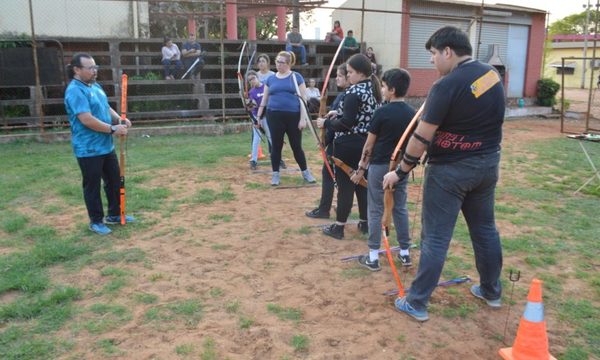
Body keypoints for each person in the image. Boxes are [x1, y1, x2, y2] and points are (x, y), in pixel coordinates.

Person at [382, 26, 505, 322]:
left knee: (436, 238)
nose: (432, 61)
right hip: (487, 165)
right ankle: (491, 291)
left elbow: (422, 137)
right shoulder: (491, 75)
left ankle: (417, 302)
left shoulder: (445, 85)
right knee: (485, 228)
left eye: (434, 54)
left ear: (448, 51)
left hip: (450, 171)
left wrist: (399, 171)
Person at [351, 68, 415, 271]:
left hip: (380, 166)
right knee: (400, 208)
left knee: (376, 208)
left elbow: (369, 146)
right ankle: (405, 253)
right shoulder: (412, 114)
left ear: (393, 90)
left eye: (385, 86)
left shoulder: (382, 112)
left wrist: (361, 167)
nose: (383, 89)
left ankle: (373, 256)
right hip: (400, 169)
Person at [64, 53, 135, 235]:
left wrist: (119, 119)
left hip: (105, 146)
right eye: (91, 68)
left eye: (96, 67)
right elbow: (86, 119)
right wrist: (113, 129)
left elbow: (105, 107)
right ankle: (96, 221)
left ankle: (114, 214)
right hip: (88, 149)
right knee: (92, 186)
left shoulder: (94, 85)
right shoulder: (75, 91)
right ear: (77, 70)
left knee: (114, 181)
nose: (95, 71)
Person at [317, 54, 381, 239]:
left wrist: (326, 124)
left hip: (348, 144)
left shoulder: (354, 92)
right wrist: (338, 113)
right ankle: (364, 222)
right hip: (366, 144)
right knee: (362, 184)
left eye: (351, 72)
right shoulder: (374, 89)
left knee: (346, 186)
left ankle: (339, 227)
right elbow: (360, 114)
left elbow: (346, 123)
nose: (349, 75)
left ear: (361, 73)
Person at [256, 51, 317, 186]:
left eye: (282, 62)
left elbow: (304, 99)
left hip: (293, 116)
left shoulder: (296, 77)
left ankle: (305, 172)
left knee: (296, 146)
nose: (278, 64)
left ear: (289, 63)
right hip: (274, 115)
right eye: (277, 61)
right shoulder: (270, 79)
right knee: (276, 146)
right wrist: (259, 117)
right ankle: (275, 174)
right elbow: (264, 100)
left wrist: (303, 119)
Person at [306, 63, 349, 219]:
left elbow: (340, 123)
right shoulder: (344, 95)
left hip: (340, 143)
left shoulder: (346, 95)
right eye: (336, 75)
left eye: (340, 76)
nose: (336, 78)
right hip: (339, 142)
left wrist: (326, 140)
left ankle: (325, 209)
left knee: (330, 174)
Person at [246, 70, 273, 170]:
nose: (252, 81)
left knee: (270, 137)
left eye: (253, 78)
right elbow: (253, 106)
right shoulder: (251, 92)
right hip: (256, 117)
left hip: (266, 115)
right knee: (256, 139)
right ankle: (253, 160)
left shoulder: (266, 87)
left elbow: (269, 101)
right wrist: (249, 104)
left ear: (257, 77)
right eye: (250, 80)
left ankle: (277, 158)